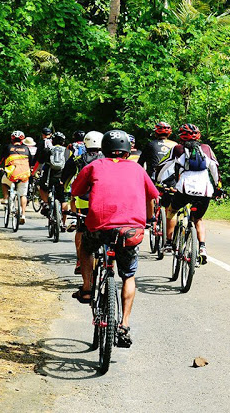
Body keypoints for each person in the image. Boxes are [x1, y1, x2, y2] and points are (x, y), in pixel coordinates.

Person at [71, 129, 159, 348]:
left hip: (99, 226)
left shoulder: (94, 166)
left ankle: (88, 288)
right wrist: (148, 220)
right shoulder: (138, 168)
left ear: (104, 149)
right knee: (128, 275)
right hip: (130, 230)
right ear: (128, 151)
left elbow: (75, 191)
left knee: (86, 248)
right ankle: (124, 324)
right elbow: (152, 196)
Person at [157, 123, 221, 263]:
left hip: (185, 189)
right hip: (205, 190)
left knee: (172, 211)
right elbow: (215, 168)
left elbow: (163, 165)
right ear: (198, 136)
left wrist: (158, 182)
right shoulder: (206, 149)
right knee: (198, 219)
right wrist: (218, 187)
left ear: (181, 137)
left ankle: (168, 243)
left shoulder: (177, 149)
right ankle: (202, 247)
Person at [61, 131, 104, 275]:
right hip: (103, 201)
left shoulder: (79, 158)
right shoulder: (107, 158)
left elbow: (67, 173)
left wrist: (63, 183)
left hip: (84, 200)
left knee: (81, 229)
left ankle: (80, 259)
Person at [0, 130, 32, 224]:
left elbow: (0, 160)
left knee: (4, 181)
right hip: (24, 174)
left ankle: (5, 198)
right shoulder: (26, 148)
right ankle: (23, 214)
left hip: (12, 173)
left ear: (12, 138)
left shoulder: (8, 147)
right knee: (23, 195)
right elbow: (31, 162)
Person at [37, 132, 70, 229]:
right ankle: (63, 223)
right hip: (62, 177)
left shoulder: (48, 149)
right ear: (63, 142)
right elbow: (70, 165)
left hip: (49, 176)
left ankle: (47, 204)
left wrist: (35, 172)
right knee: (63, 199)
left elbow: (40, 162)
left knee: (42, 188)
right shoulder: (67, 151)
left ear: (53, 141)